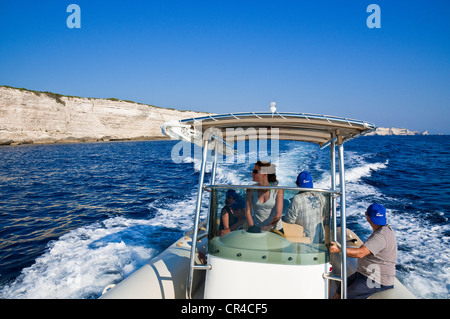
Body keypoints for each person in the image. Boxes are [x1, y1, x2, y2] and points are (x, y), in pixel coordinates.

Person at [329, 203, 397, 299]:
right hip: (365, 274)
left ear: (367, 217)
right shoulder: (383, 230)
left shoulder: (381, 235)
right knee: (341, 288)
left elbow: (361, 253)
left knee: (346, 296)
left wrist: (338, 250)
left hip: (376, 280)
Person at [245, 161, 284, 232]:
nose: (252, 173)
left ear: (264, 173)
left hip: (275, 229)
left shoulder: (278, 189)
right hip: (257, 229)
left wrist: (269, 226)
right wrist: (252, 227)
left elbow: (278, 214)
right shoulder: (250, 189)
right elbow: (248, 212)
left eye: (255, 171)